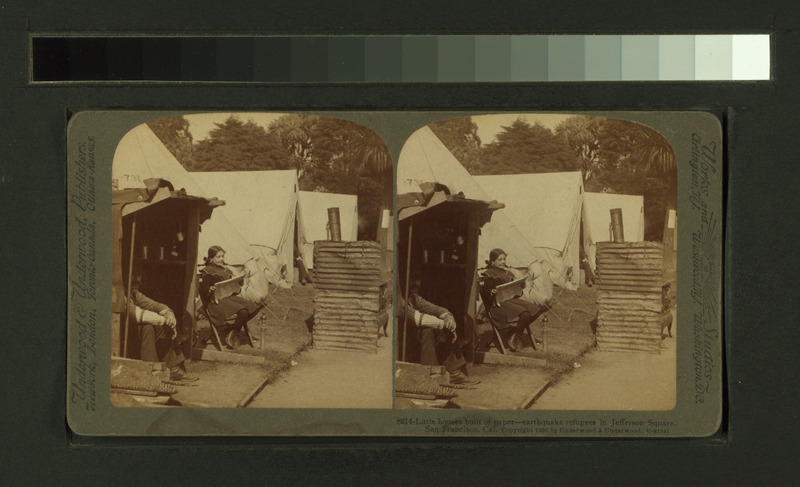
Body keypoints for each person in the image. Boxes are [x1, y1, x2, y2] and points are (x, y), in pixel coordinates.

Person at [397, 278, 479, 385]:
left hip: (416, 340)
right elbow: (418, 319)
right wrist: (444, 324)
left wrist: (448, 317)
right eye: (412, 283)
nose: (416, 284)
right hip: (403, 345)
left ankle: (454, 373)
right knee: (428, 329)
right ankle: (432, 374)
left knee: (439, 327)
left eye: (416, 282)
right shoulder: (398, 300)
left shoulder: (413, 298)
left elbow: (436, 309)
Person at [126, 274, 197, 383]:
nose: (138, 280)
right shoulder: (119, 292)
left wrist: (168, 313)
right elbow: (136, 314)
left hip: (131, 332)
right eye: (135, 276)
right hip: (118, 334)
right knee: (148, 327)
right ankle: (152, 371)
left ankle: (172, 369)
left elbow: (153, 304)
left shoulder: (133, 293)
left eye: (139, 275)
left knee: (159, 325)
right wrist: (164, 320)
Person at [199, 245, 261, 348]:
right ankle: (234, 332)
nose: (222, 259)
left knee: (254, 307)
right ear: (211, 259)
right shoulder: (207, 271)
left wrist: (238, 284)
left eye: (223, 256)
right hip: (215, 302)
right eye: (218, 257)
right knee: (243, 311)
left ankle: (232, 331)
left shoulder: (226, 270)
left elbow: (234, 291)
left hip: (228, 298)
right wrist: (209, 289)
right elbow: (202, 289)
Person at [482, 248, 543, 352]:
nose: (503, 262)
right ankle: (516, 336)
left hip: (511, 299)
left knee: (536, 310)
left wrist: (520, 286)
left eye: (504, 259)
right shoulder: (489, 274)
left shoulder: (508, 273)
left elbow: (517, 292)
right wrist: (490, 292)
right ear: (493, 262)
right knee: (525, 314)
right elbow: (485, 291)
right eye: (499, 260)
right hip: (498, 304)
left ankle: (514, 333)